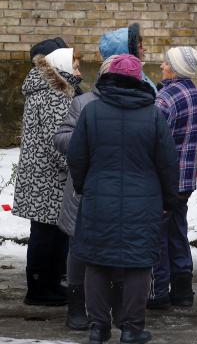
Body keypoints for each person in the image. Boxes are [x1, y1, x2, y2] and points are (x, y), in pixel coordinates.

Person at [68, 54, 179, 344]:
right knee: (138, 263)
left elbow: (77, 157)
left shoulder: (91, 112)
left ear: (108, 78)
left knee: (96, 261)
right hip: (143, 203)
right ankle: (131, 328)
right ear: (139, 80)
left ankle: (98, 327)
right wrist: (169, 200)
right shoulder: (153, 115)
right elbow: (167, 163)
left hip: (98, 199)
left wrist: (85, 188)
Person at [14, 45, 81, 307]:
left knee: (49, 234)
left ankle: (48, 284)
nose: (78, 71)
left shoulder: (47, 91)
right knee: (47, 236)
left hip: (41, 177)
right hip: (49, 180)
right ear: (61, 67)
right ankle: (41, 288)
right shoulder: (54, 97)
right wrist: (78, 165)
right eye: (74, 66)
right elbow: (58, 143)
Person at [54, 56, 117, 330]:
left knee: (114, 249)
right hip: (84, 189)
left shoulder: (140, 104)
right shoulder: (83, 102)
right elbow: (61, 138)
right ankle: (76, 307)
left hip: (119, 191)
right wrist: (86, 135)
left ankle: (109, 307)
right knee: (78, 249)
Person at [147, 47, 197, 310]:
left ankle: (158, 292)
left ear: (176, 67)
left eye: (167, 62)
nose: (162, 65)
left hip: (164, 181)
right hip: (185, 180)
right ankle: (183, 290)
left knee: (157, 236)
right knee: (177, 232)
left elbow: (153, 141)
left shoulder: (166, 97)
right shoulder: (196, 94)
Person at [99, 24, 155, 92]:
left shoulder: (138, 74)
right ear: (127, 52)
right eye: (139, 47)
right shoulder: (130, 83)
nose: (144, 49)